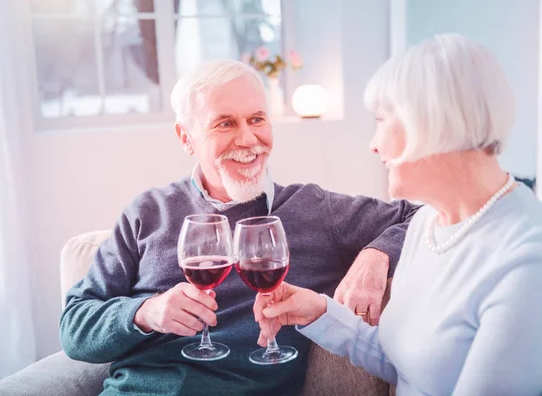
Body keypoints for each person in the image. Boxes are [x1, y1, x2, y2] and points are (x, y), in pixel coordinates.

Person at [59, 59, 419, 395]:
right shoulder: (148, 213)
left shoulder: (315, 209)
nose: (249, 140)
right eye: (225, 123)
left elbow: (422, 216)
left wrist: (376, 254)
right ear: (186, 138)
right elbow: (75, 329)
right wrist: (145, 313)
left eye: (257, 119)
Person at [254, 34, 542, 395]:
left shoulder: (529, 262)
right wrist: (317, 312)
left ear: (431, 126)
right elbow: (405, 365)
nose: (373, 144)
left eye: (381, 120)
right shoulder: (430, 223)